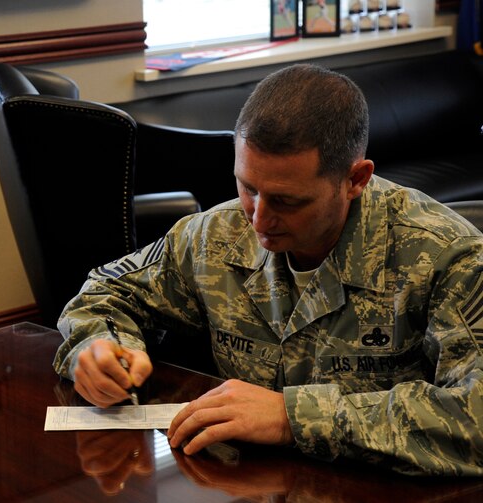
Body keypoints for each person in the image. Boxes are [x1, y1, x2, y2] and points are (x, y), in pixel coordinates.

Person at [53, 64, 483, 475]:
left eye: (287, 201)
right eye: (247, 187)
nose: (258, 220)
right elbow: (106, 292)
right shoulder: (214, 236)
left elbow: (476, 417)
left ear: (356, 180)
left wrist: (290, 417)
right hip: (247, 484)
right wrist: (99, 347)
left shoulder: (449, 258)